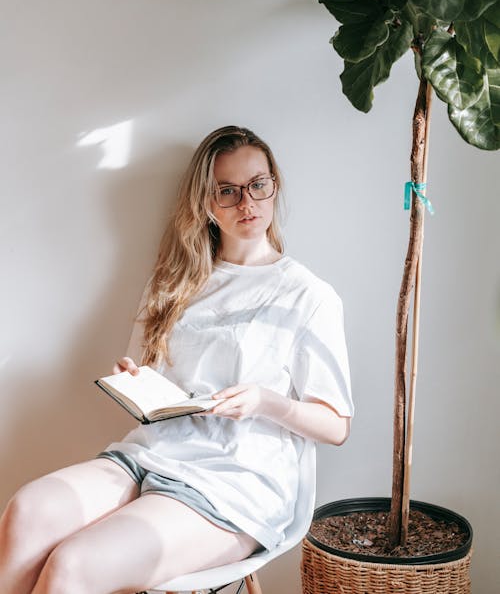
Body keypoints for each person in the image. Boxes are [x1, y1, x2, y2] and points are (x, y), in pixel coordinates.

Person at [0, 125, 354, 594]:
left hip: (234, 484)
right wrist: (134, 380)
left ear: (275, 185)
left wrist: (265, 402)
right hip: (150, 456)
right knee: (28, 511)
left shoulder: (308, 296)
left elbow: (336, 426)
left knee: (75, 565)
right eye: (227, 192)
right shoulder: (175, 281)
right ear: (206, 204)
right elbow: (150, 379)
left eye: (257, 185)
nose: (246, 203)